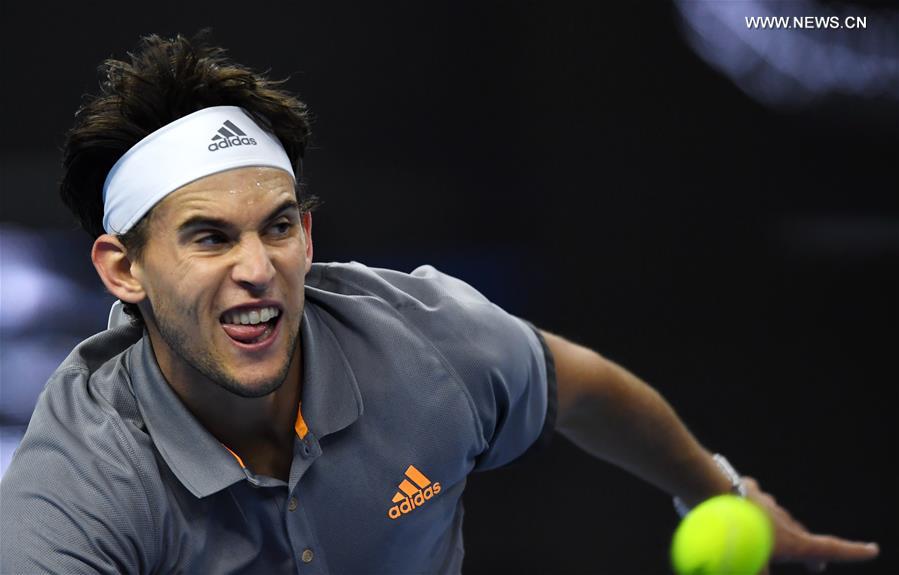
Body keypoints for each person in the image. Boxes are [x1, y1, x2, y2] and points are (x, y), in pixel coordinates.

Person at [0, 32, 880, 574]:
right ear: (123, 269)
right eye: (209, 237)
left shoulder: (426, 342)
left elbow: (583, 386)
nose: (258, 267)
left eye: (278, 226)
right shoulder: (74, 490)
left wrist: (719, 491)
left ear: (308, 233)